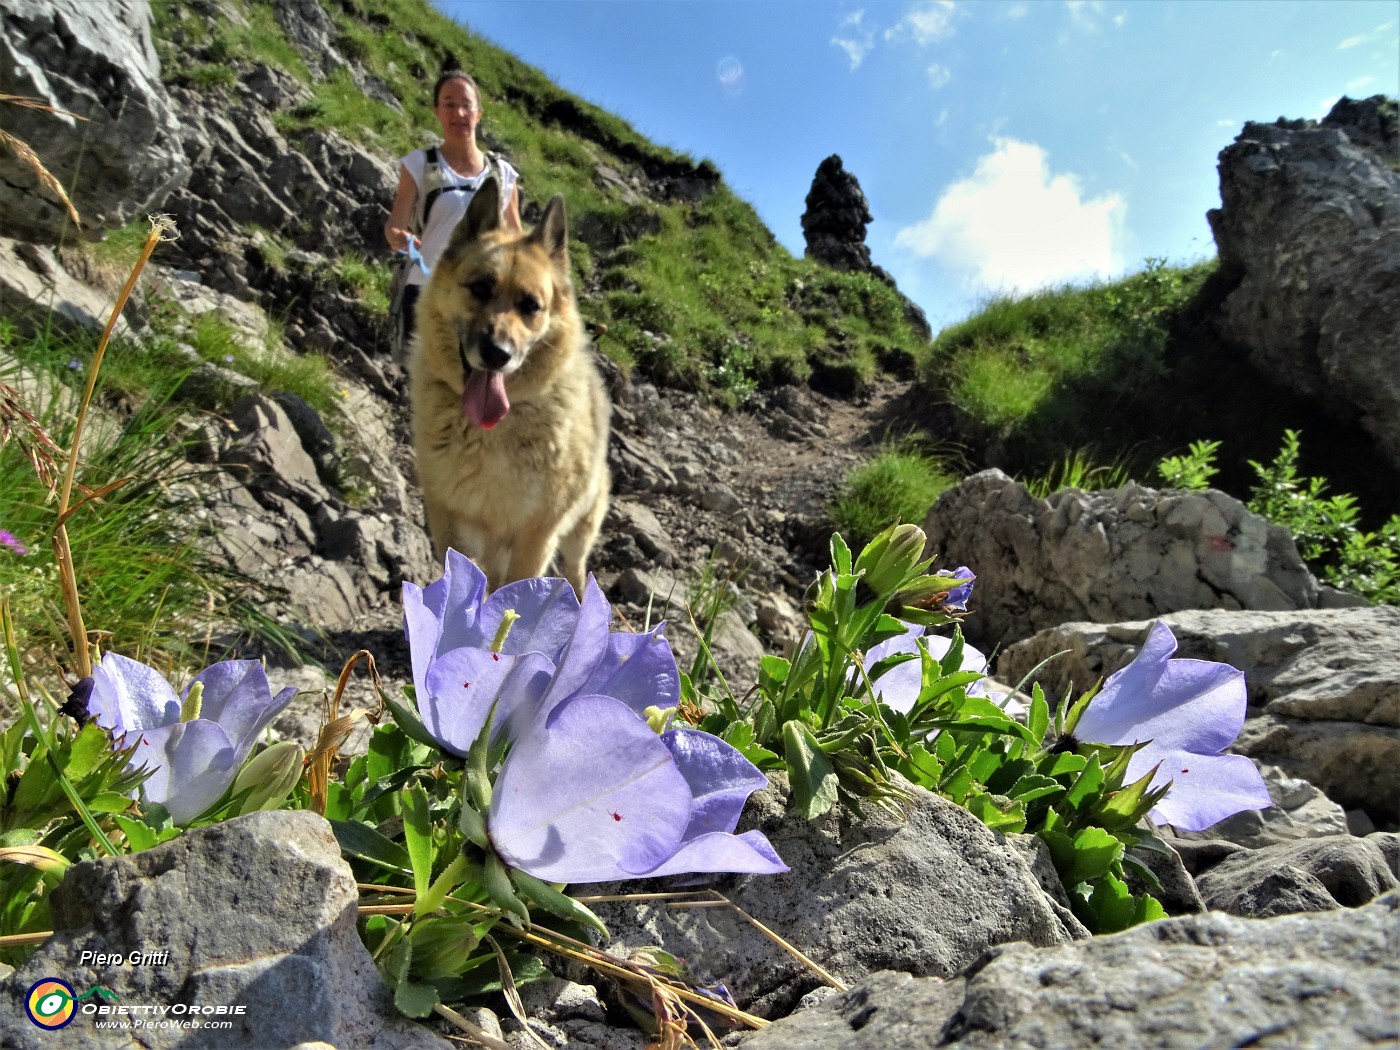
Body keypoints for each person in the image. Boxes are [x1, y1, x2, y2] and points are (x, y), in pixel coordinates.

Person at [384, 70, 523, 346]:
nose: (458, 112)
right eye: (449, 104)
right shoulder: (418, 165)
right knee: (427, 385)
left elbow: (518, 242)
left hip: (482, 301)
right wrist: (400, 238)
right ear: (437, 111)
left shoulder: (503, 175)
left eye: (466, 104)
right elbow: (394, 227)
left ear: (478, 113)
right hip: (426, 293)